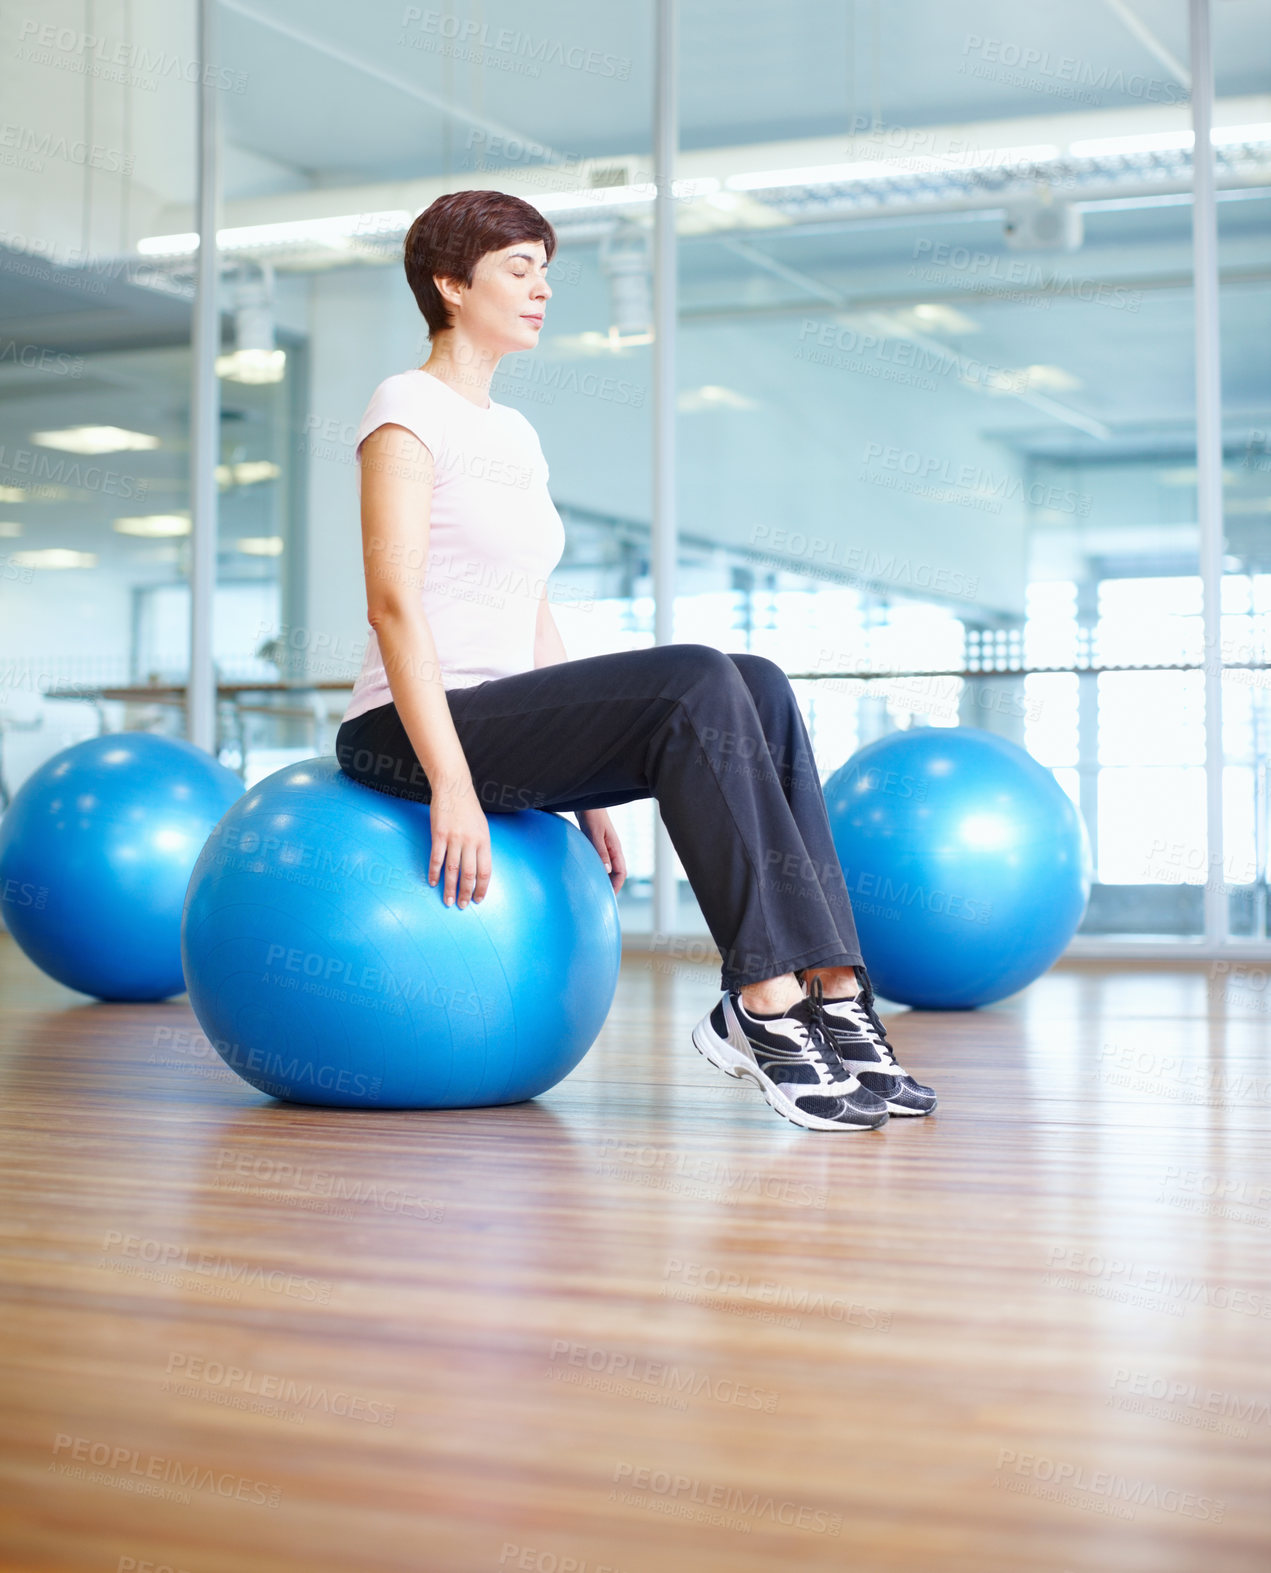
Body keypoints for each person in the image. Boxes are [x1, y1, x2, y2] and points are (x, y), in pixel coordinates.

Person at [334, 189, 937, 1134]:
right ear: (450, 286)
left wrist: (586, 788)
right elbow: (393, 601)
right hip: (404, 734)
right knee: (695, 673)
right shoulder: (403, 408)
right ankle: (762, 1003)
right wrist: (450, 782)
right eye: (517, 270)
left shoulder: (515, 434)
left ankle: (832, 987)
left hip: (501, 713)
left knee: (758, 682)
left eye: (546, 271)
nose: (541, 291)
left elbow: (527, 606)